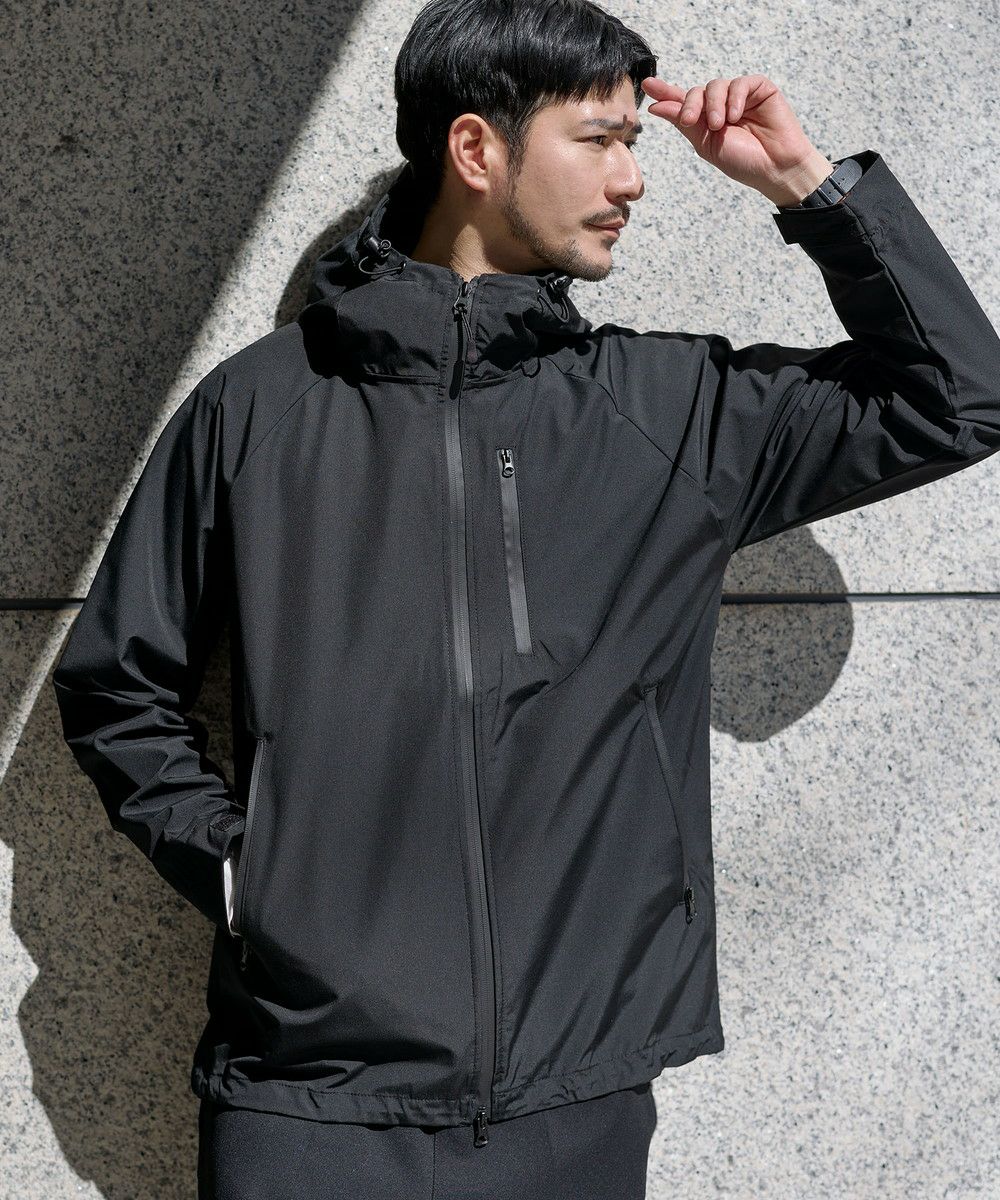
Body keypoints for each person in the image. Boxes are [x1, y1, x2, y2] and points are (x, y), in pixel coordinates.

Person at [52, 0, 1000, 1196]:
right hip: (307, 1101)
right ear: (475, 148)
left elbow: (956, 399)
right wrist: (249, 880)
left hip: (574, 1104)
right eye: (599, 139)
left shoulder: (669, 413)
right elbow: (116, 685)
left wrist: (809, 189)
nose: (633, 180)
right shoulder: (260, 410)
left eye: (634, 144)